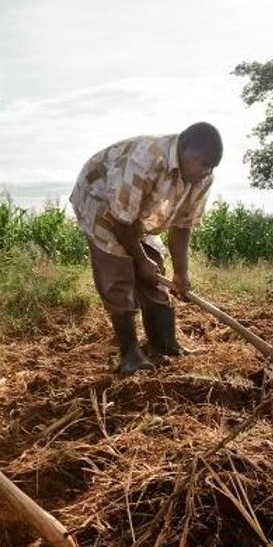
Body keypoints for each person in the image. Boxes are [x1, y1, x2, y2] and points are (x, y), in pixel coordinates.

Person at [69, 123, 222, 374]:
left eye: (211, 166)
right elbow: (119, 220)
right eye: (202, 162)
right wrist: (139, 261)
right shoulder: (145, 159)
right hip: (99, 200)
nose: (206, 172)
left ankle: (165, 345)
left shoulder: (202, 177)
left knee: (154, 271)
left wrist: (181, 273)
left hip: (134, 212)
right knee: (118, 273)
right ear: (183, 147)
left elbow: (182, 226)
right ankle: (131, 356)